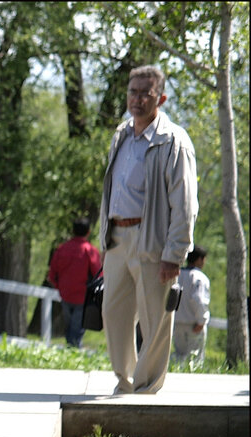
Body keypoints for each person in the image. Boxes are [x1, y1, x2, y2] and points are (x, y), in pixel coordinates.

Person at [98, 65, 198, 395]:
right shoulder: (122, 134)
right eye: (133, 91)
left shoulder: (173, 140)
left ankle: (147, 388)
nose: (138, 99)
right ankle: (126, 381)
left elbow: (184, 204)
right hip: (117, 238)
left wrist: (175, 253)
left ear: (161, 98)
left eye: (146, 93)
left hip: (152, 240)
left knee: (155, 319)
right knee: (114, 313)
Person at [46, 217, 102, 349]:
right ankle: (74, 351)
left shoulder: (62, 249)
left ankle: (70, 349)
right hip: (82, 296)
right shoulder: (89, 251)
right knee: (77, 328)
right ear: (88, 232)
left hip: (65, 295)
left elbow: (52, 274)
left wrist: (60, 287)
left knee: (69, 325)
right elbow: (98, 274)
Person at [172, 246, 209, 370]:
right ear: (199, 259)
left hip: (177, 322)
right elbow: (199, 299)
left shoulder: (177, 274)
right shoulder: (199, 277)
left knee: (179, 357)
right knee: (194, 360)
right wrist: (202, 320)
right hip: (193, 323)